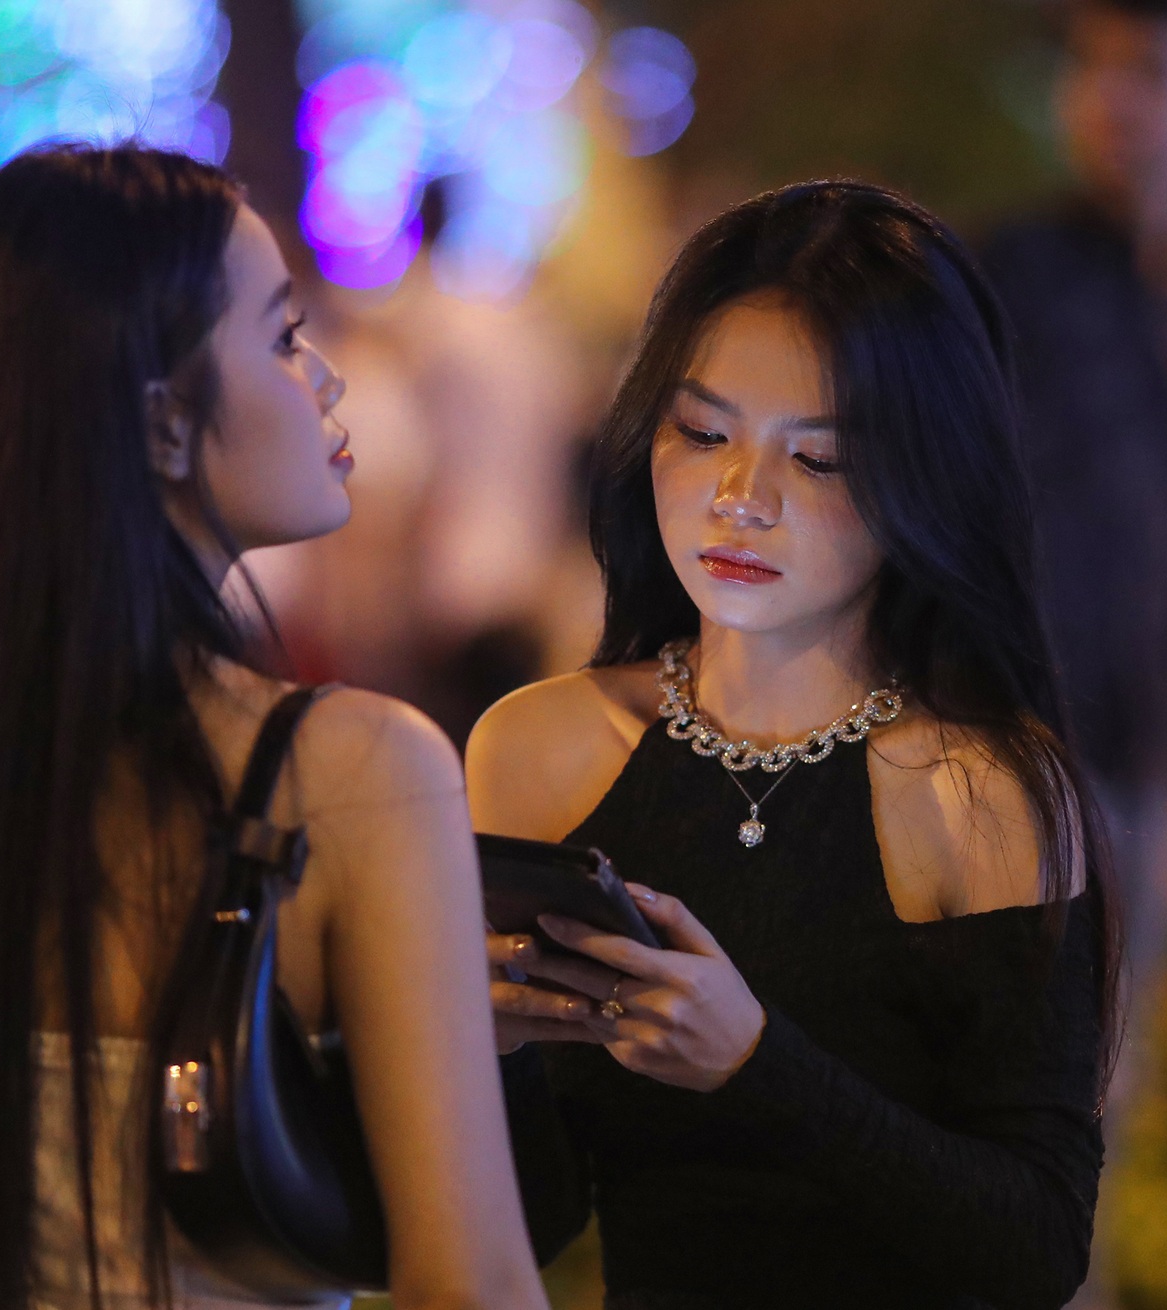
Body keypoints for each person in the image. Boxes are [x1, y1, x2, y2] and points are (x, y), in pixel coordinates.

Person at [0, 146, 551, 1310]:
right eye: (283, 335)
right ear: (163, 423)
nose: (325, 376)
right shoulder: (354, 772)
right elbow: (471, 1283)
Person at [467, 180, 1119, 1309]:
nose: (740, 497)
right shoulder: (539, 748)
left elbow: (1034, 1247)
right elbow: (534, 1215)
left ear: (927, 478)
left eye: (817, 459)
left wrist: (757, 1066)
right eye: (703, 430)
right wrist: (496, 1052)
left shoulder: (981, 790)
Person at [977, 0, 1167, 1083]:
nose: (1109, 98)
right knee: (1003, 1092)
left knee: (1101, 1099)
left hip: (1141, 766)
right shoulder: (1005, 272)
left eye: (1147, 70)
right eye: (1090, 67)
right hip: (1004, 755)